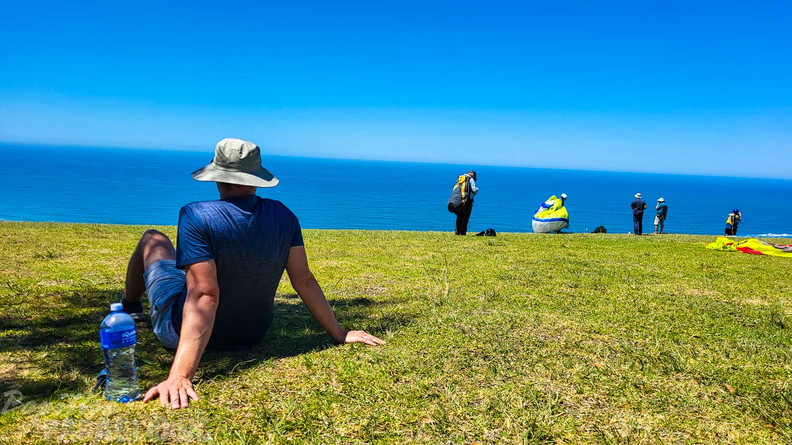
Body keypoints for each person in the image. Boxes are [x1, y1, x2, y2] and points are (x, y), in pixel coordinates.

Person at [119, 138, 385, 410]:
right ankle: (132, 304)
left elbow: (204, 293)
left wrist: (179, 375)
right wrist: (339, 333)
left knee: (152, 239)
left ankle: (129, 305)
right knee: (180, 273)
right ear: (256, 177)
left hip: (177, 331)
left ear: (217, 176)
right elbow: (303, 279)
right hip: (251, 334)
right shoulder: (283, 215)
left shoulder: (196, 214)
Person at [447, 170, 478, 235]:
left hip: (456, 201)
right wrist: (477, 189)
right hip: (466, 201)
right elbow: (473, 190)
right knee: (465, 217)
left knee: (459, 216)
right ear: (474, 175)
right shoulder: (471, 179)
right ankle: (463, 233)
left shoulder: (461, 179)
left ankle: (457, 232)